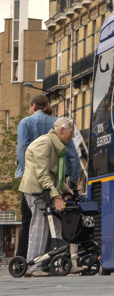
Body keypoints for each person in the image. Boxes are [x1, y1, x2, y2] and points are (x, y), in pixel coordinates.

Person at [14, 95, 81, 261]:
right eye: (70, 134)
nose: (72, 137)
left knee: (30, 223)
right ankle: (32, 263)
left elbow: (22, 148)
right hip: (40, 184)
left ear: (33, 106)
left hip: (45, 181)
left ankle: (32, 258)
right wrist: (73, 179)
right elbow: (72, 157)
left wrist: (24, 171)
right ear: (61, 131)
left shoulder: (26, 123)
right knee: (41, 223)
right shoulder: (55, 129)